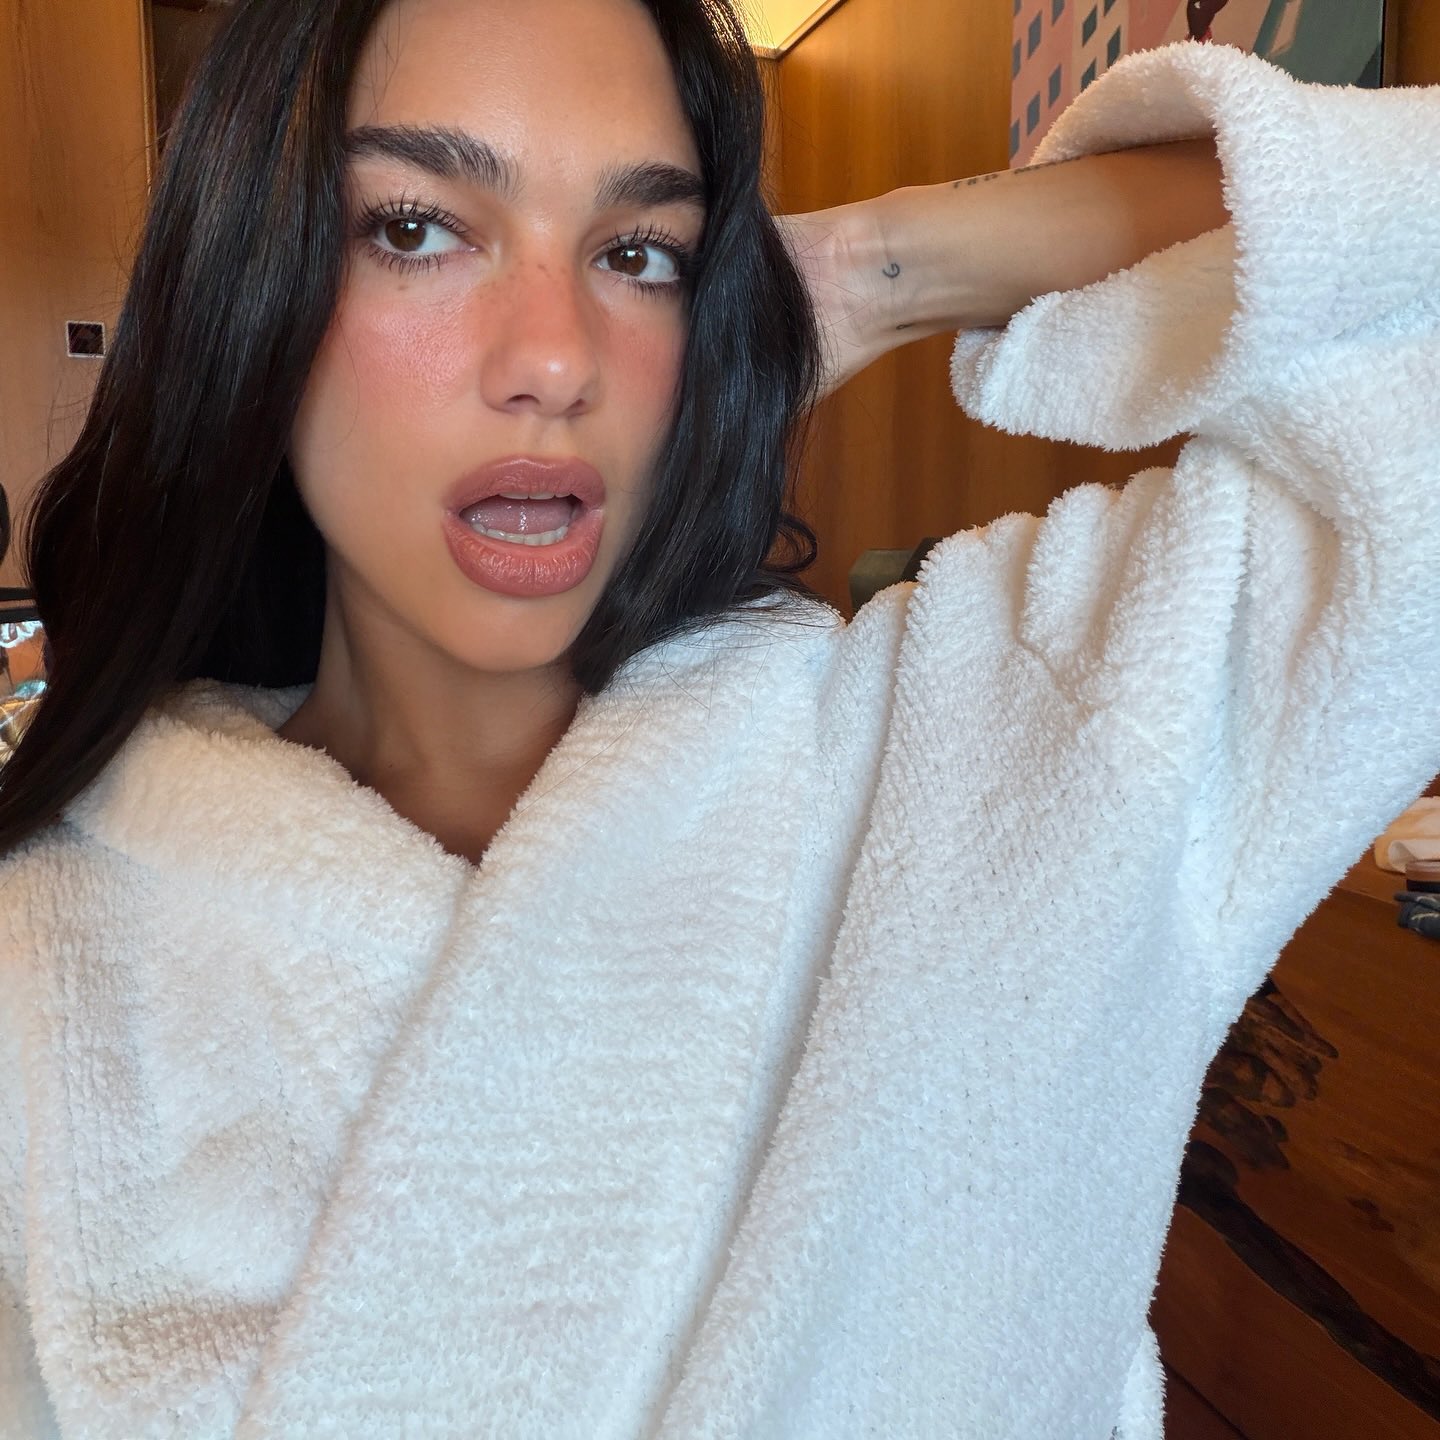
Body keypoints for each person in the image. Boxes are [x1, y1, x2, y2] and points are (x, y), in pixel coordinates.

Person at [0, 0, 1435, 1434]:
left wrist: (865, 272)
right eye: (417, 229)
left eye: (639, 254)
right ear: (253, 282)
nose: (556, 358)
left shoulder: (999, 749)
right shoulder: (52, 951)